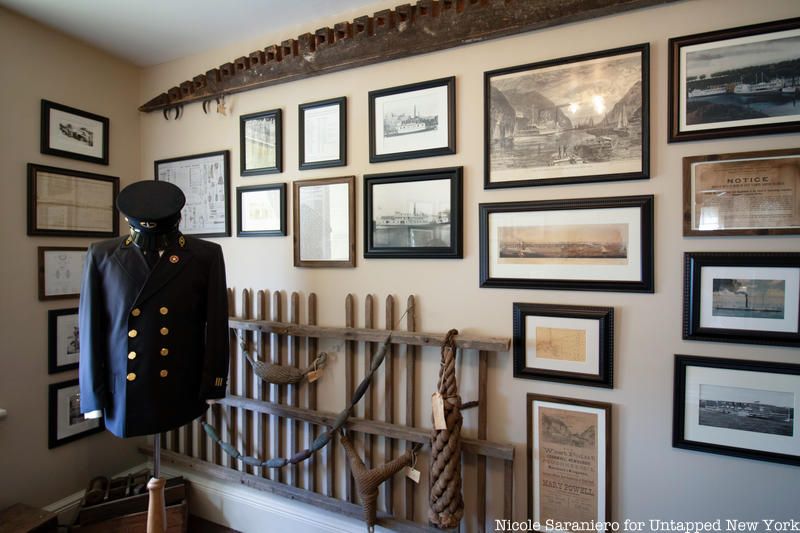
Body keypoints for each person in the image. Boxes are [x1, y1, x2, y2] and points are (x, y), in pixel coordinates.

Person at [79, 180, 230, 438]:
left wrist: (213, 384)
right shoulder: (103, 255)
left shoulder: (205, 255)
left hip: (180, 384)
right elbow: (90, 330)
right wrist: (92, 395)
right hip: (124, 390)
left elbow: (216, 327)